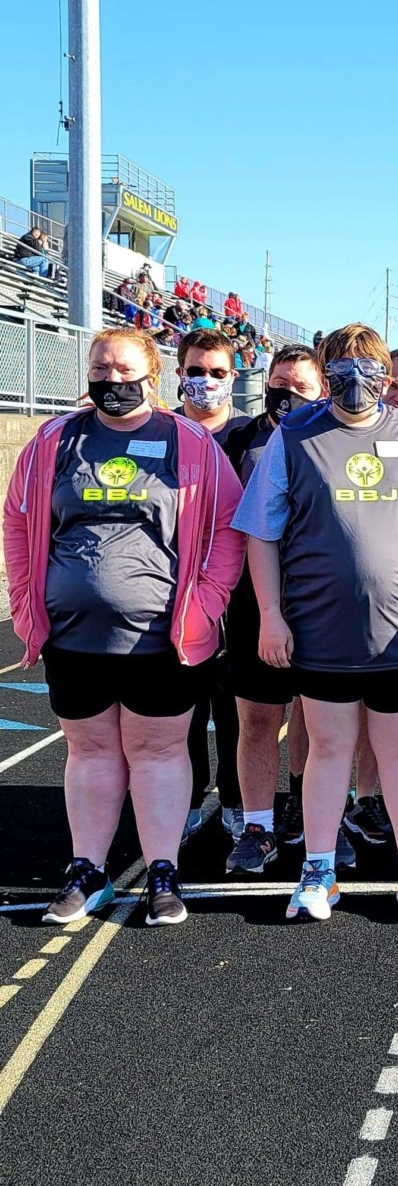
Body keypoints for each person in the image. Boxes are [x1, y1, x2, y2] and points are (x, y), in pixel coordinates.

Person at [2, 326, 244, 926]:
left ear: (152, 376)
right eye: (102, 369)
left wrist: (206, 604)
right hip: (72, 634)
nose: (112, 380)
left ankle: (162, 870)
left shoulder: (188, 441)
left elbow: (228, 529)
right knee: (88, 751)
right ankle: (88, 870)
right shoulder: (54, 440)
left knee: (158, 751)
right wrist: (28, 597)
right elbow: (18, 520)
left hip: (163, 636)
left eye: (125, 370)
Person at [233, 322, 398, 922]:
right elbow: (260, 532)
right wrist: (270, 615)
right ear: (325, 371)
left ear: (385, 376)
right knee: (329, 750)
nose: (353, 380)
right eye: (339, 368)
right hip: (319, 632)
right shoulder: (293, 435)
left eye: (366, 368)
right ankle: (318, 871)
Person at [219, 345, 325, 874]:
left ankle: (305, 815)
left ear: (321, 390)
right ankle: (257, 825)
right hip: (253, 601)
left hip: (320, 602)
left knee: (315, 718)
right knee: (257, 719)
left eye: (301, 386)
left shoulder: (333, 437)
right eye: (279, 382)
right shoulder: (239, 437)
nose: (288, 393)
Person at [172, 330, 252, 843]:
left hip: (239, 592)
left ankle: (238, 798)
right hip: (174, 589)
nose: (206, 381)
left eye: (218, 373)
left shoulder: (253, 434)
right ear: (179, 372)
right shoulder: (159, 430)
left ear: (234, 377)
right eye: (196, 370)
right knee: (183, 706)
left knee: (234, 704)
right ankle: (188, 796)